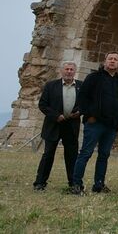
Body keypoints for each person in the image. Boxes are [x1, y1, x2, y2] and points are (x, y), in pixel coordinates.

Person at [69, 52, 118, 194]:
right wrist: (89, 115)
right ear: (105, 61)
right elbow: (82, 98)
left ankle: (99, 185)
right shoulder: (93, 77)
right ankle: (76, 184)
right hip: (95, 123)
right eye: (110, 59)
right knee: (85, 153)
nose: (112, 61)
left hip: (112, 125)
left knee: (104, 155)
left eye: (115, 59)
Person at [33, 61, 82, 191]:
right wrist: (56, 116)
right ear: (61, 71)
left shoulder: (81, 86)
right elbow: (43, 105)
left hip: (71, 126)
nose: (69, 71)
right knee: (48, 154)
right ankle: (40, 183)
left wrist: (79, 111)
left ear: (74, 71)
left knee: (72, 156)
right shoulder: (51, 86)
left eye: (71, 69)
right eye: (66, 69)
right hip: (53, 125)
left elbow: (86, 103)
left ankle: (73, 184)